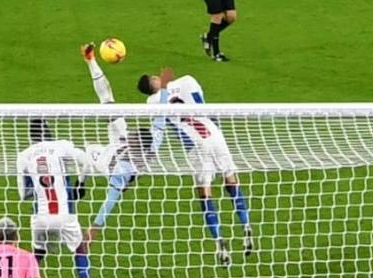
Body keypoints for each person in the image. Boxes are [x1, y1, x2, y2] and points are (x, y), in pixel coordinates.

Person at [138, 68, 254, 265]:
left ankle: (219, 242)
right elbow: (201, 101)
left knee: (205, 192)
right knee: (231, 179)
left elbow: (160, 127)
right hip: (213, 132)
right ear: (153, 82)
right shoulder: (185, 81)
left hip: (194, 144)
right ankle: (246, 224)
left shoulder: (152, 103)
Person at [17, 119, 103, 278]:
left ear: (31, 137)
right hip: (65, 215)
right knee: (80, 250)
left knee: (38, 255)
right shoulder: (61, 146)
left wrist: (34, 186)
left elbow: (23, 195)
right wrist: (80, 184)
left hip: (40, 218)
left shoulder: (23, 156)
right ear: (49, 132)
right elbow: (87, 162)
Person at [79, 42, 150, 248]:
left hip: (104, 160)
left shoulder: (124, 170)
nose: (134, 134)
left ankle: (79, 185)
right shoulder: (129, 140)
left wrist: (94, 228)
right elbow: (158, 128)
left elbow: (108, 204)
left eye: (135, 136)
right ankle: (90, 59)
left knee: (86, 151)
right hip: (117, 144)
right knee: (107, 100)